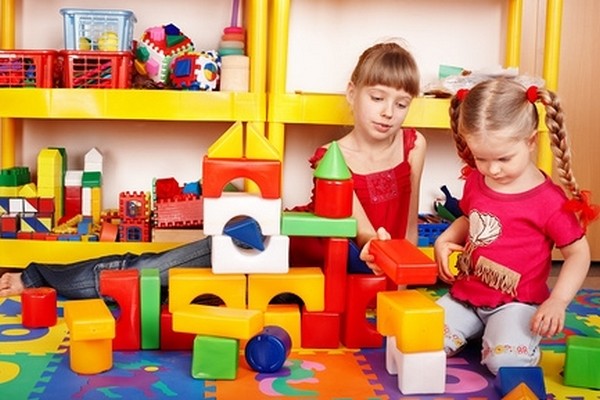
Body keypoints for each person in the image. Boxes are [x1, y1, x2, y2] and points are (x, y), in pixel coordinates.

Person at [0, 40, 426, 298]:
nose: (388, 112)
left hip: (345, 275)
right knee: (151, 272)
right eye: (377, 97)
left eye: (401, 103)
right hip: (268, 244)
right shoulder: (330, 157)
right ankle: (36, 278)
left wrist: (406, 278)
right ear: (352, 93)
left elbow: (405, 230)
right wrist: (383, 255)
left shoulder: (414, 146)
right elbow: (363, 232)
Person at [434, 77, 598, 375]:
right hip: (466, 295)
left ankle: (499, 337)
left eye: (504, 158)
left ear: (531, 141)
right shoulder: (477, 179)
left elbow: (578, 254)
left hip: (516, 303)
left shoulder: (549, 201)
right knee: (418, 340)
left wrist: (558, 301)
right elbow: (469, 218)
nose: (493, 169)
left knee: (504, 364)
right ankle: (482, 332)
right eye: (481, 158)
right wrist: (444, 239)